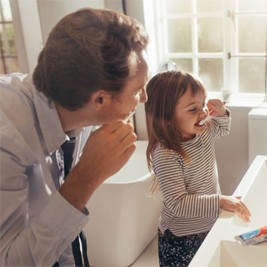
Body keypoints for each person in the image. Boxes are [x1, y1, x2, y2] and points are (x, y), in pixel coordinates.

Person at [0, 7, 149, 266]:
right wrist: (86, 177)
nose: (144, 97)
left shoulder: (75, 109)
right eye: (137, 90)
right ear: (100, 99)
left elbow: (61, 229)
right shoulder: (8, 139)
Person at [145, 70, 251, 267]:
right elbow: (178, 203)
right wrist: (220, 201)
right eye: (193, 109)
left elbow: (221, 128)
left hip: (207, 224)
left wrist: (221, 113)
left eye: (203, 104)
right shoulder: (166, 155)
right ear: (167, 116)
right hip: (182, 238)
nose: (203, 113)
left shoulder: (202, 132)